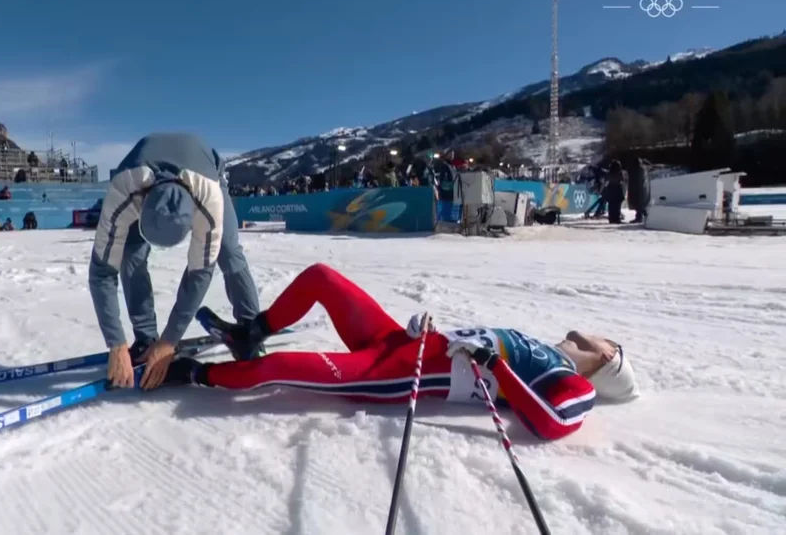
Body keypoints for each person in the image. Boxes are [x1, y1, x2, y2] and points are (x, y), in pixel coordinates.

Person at [162, 263, 640, 441]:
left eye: (607, 341)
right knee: (321, 278)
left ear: (607, 360)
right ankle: (253, 331)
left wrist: (494, 365)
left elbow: (551, 424)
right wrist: (428, 326)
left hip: (393, 373)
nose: (596, 333)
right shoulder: (542, 346)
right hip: (402, 342)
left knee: (278, 367)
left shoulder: (575, 384)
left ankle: (194, 375)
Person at [90, 133, 261, 392]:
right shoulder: (122, 190)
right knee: (131, 255)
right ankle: (146, 338)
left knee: (228, 251)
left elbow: (200, 273)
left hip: (206, 170)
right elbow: (102, 271)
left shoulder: (208, 197)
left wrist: (170, 341)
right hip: (140, 177)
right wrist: (115, 343)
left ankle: (251, 330)